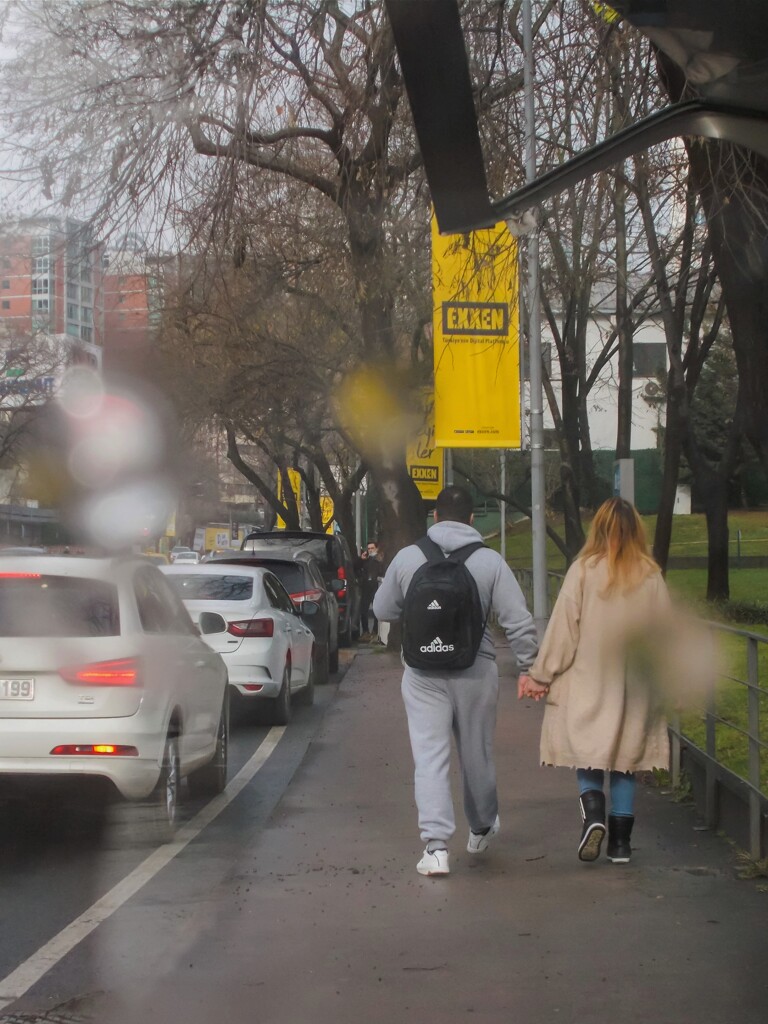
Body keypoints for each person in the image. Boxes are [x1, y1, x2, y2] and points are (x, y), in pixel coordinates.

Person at [373, 485, 538, 877]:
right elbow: (517, 620)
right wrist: (529, 666)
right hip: (475, 671)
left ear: (435, 517)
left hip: (421, 673)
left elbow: (382, 608)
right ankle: (481, 828)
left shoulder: (408, 557)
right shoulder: (490, 561)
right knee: (476, 753)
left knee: (429, 757)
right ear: (471, 520)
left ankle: (435, 849)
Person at [519, 497, 671, 864]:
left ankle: (594, 817)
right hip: (634, 685)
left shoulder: (583, 570)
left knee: (587, 753)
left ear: (597, 528)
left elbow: (563, 631)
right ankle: (620, 845)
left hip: (588, 679)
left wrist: (540, 675)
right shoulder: (650, 575)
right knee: (625, 759)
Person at [359, 540, 382, 639]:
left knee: (376, 610)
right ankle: (366, 631)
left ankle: (375, 631)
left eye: (372, 548)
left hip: (376, 586)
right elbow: (356, 567)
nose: (370, 550)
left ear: (376, 548)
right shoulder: (365, 560)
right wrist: (361, 559)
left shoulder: (379, 560)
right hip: (366, 587)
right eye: (369, 548)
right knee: (363, 610)